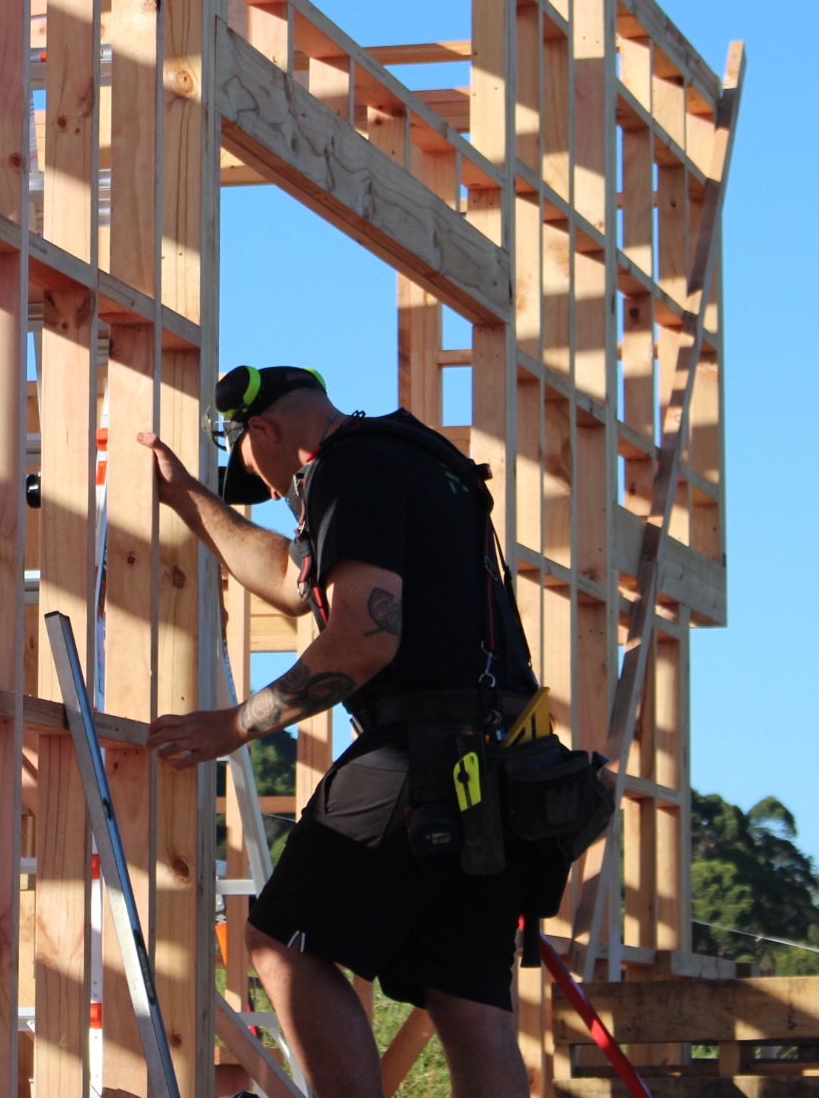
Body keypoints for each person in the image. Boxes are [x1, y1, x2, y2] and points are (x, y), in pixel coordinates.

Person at [141, 365, 540, 1098]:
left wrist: (234, 724)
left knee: (280, 941)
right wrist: (194, 503)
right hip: (501, 768)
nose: (262, 488)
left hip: (423, 754)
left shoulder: (345, 468)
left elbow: (362, 640)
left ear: (262, 431)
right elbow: (300, 586)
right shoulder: (411, 458)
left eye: (250, 470)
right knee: (468, 999)